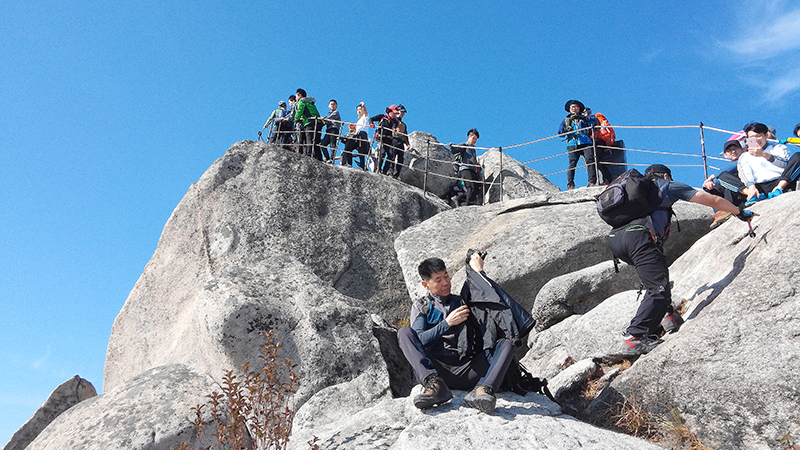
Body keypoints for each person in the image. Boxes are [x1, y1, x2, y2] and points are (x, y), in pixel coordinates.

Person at [607, 164, 754, 356]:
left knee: (658, 277)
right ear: (666, 175)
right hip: (639, 237)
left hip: (616, 241)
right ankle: (634, 337)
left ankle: (668, 317)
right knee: (658, 288)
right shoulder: (666, 186)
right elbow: (713, 200)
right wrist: (739, 211)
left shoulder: (636, 195)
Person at [397, 253, 515, 413]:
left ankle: (484, 390)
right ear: (426, 285)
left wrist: (478, 273)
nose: (446, 283)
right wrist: (447, 323)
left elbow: (485, 295)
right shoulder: (422, 306)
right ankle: (435, 386)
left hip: (469, 370)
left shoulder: (461, 301)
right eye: (438, 280)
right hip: (438, 371)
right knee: (404, 332)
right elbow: (419, 340)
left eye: (446, 276)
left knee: (507, 343)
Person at [738, 122, 800, 203]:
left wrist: (764, 155)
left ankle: (778, 189)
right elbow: (745, 173)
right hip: (759, 186)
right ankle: (755, 195)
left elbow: (785, 164)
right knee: (725, 176)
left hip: (780, 181)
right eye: (752, 137)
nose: (756, 139)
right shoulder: (745, 156)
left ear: (766, 135)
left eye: (758, 136)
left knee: (798, 156)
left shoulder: (778, 147)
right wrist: (751, 187)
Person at [703, 139, 748, 226]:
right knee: (716, 187)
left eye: (735, 148)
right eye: (729, 150)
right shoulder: (726, 170)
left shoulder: (747, 158)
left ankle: (727, 209)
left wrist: (712, 177)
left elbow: (737, 164)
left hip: (746, 193)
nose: (733, 151)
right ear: (725, 155)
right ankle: (720, 212)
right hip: (736, 198)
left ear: (742, 150)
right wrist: (709, 186)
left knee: (723, 177)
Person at [559, 100, 599, 189]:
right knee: (572, 164)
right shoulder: (566, 120)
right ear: (569, 109)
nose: (574, 108)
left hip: (586, 142)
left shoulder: (585, 118)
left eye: (576, 107)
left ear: (579, 108)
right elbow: (560, 133)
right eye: (572, 107)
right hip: (573, 143)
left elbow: (593, 122)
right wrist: (566, 129)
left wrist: (583, 118)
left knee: (590, 161)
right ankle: (570, 184)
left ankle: (592, 181)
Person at [450, 128, 482, 206]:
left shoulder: (473, 150)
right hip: (466, 169)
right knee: (471, 186)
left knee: (476, 188)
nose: (474, 140)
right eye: (473, 138)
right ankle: (470, 203)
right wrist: (452, 146)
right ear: (469, 137)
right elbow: (455, 149)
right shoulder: (465, 145)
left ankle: (460, 198)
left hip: (472, 170)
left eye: (476, 139)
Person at [294, 89, 323, 160]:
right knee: (316, 141)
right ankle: (319, 158)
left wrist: (296, 118)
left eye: (296, 96)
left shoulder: (302, 101)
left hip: (309, 122)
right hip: (318, 122)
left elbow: (299, 110)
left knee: (309, 140)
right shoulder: (310, 102)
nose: (296, 98)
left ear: (299, 95)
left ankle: (309, 156)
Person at [370, 106, 400, 174]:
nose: (395, 114)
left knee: (391, 155)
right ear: (389, 111)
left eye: (396, 113)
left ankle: (385, 171)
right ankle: (378, 168)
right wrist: (371, 124)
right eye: (394, 113)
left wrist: (394, 129)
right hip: (380, 137)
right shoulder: (382, 117)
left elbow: (394, 126)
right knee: (382, 152)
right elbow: (371, 119)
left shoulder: (395, 121)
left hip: (388, 139)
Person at [341, 102, 370, 169]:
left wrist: (363, 105)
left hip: (362, 134)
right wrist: (350, 133)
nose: (359, 111)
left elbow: (366, 112)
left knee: (360, 150)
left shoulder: (365, 117)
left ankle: (361, 165)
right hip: (358, 134)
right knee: (350, 147)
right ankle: (350, 163)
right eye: (357, 110)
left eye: (360, 109)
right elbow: (357, 131)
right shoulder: (358, 120)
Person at [385, 104, 409, 178]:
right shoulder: (393, 121)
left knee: (400, 158)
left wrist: (407, 143)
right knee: (392, 156)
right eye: (401, 112)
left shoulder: (403, 124)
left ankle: (396, 174)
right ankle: (390, 172)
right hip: (393, 139)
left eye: (403, 113)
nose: (402, 114)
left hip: (400, 141)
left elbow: (405, 134)